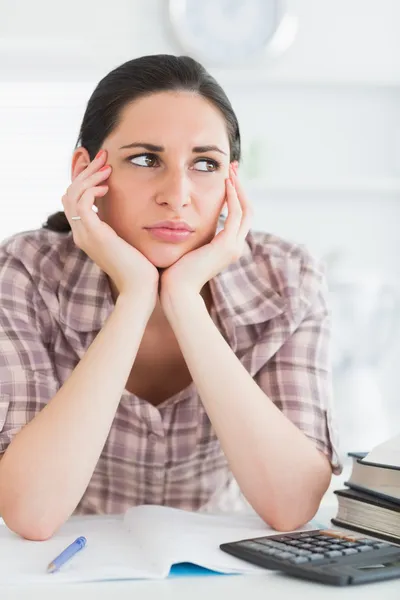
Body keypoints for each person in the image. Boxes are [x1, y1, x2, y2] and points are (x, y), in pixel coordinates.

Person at [0, 54, 341, 541]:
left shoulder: (288, 278)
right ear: (87, 171)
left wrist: (183, 299)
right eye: (145, 159)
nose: (177, 195)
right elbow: (31, 513)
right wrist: (135, 296)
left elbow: (291, 507)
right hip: (68, 563)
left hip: (223, 565)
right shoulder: (25, 271)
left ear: (231, 183)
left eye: (205, 164)